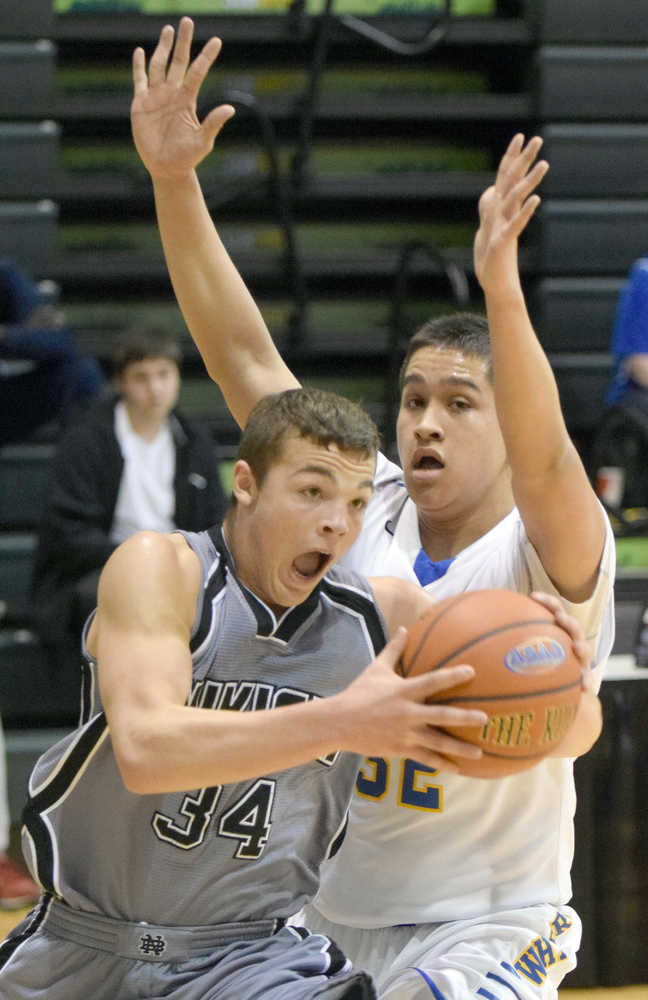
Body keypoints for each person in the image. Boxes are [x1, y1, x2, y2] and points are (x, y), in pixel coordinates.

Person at [128, 19, 615, 1000]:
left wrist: (503, 295)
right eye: (414, 398)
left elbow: (555, 455)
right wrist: (175, 184)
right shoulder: (359, 510)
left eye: (458, 402)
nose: (425, 420)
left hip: (488, 922)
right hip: (323, 917)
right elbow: (247, 360)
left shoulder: (547, 540)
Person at [0, 385, 592, 998]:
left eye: (358, 502)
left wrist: (560, 676)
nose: (338, 523)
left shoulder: (379, 615)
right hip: (85, 950)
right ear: (247, 484)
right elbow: (147, 750)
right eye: (313, 492)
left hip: (246, 962)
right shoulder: (165, 571)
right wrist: (342, 721)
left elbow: (568, 729)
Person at [31, 324, 226, 707]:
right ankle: (118, 709)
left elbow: (214, 521)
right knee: (106, 597)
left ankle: (187, 707)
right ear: (122, 381)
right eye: (142, 377)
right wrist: (134, 560)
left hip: (176, 563)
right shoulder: (87, 438)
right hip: (101, 564)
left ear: (177, 378)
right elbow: (68, 530)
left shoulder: (195, 440)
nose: (155, 388)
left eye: (164, 375)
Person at [0, 259, 103, 446]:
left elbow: (60, 342)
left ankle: (81, 468)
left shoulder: (5, 276)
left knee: (80, 373)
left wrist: (5, 335)